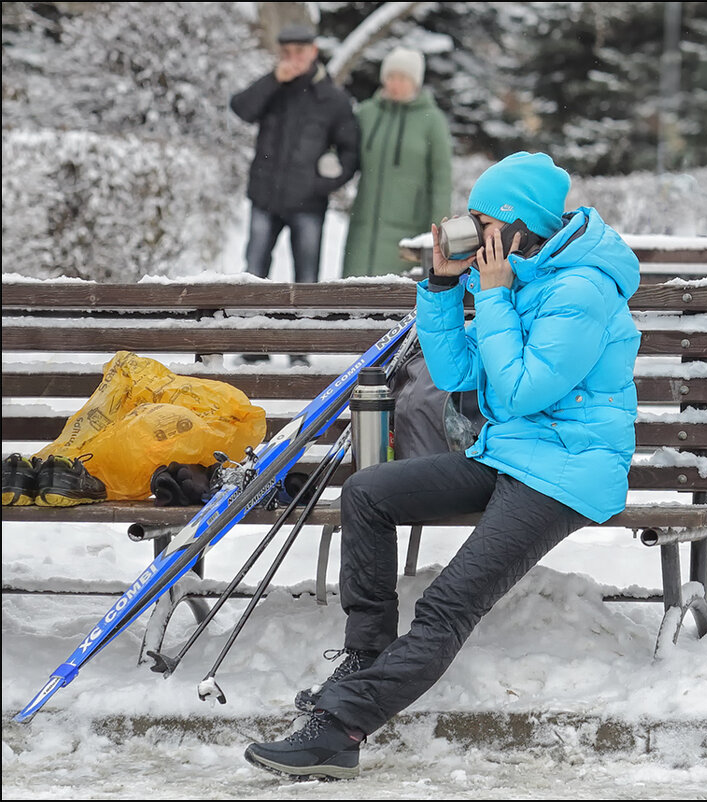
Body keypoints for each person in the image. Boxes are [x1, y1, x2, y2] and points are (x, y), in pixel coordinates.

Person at [243, 151, 641, 780]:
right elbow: (460, 379)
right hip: (509, 454)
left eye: (482, 221)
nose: (472, 232)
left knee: (447, 604)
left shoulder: (580, 289)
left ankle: (341, 728)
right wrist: (441, 288)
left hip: (569, 469)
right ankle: (366, 654)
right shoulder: (523, 275)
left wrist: (495, 297)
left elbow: (515, 394)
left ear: (518, 225)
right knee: (368, 493)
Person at [230, 24, 360, 366]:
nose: (293, 59)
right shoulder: (273, 87)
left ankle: (299, 349)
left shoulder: (332, 98)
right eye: (286, 52)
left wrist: (322, 185)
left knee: (306, 278)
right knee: (254, 272)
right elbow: (241, 109)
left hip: (308, 204)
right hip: (265, 197)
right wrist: (274, 79)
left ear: (314, 52)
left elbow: (351, 154)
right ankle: (251, 348)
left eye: (299, 52)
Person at [342, 46, 452, 278]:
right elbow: (344, 152)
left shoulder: (432, 121)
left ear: (415, 82)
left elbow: (441, 178)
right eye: (391, 77)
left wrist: (437, 231)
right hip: (364, 225)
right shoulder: (366, 113)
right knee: (354, 290)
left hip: (408, 229)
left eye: (403, 78)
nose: (395, 83)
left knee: (396, 295)